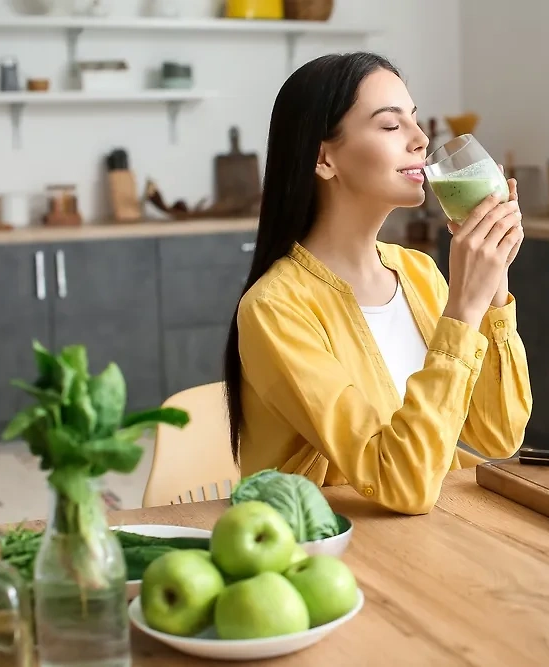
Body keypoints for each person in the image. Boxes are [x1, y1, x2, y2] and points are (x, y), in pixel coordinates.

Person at [222, 52, 532, 515]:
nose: (421, 139)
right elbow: (400, 484)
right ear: (324, 158)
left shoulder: (419, 273)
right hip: (333, 556)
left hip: (436, 540)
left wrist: (492, 286)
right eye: (391, 126)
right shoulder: (275, 308)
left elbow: (497, 433)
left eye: (414, 119)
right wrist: (463, 309)